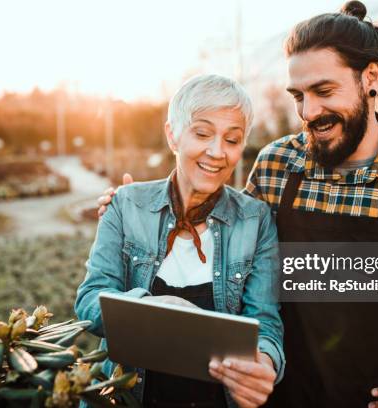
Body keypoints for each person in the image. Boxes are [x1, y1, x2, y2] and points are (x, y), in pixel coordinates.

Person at [98, 2, 378, 407]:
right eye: (298, 95)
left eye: (323, 91)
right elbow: (232, 244)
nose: (309, 111)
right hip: (277, 396)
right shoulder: (278, 165)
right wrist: (138, 208)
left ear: (370, 78)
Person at [75, 74, 284, 408]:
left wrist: (264, 363)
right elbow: (88, 301)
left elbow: (266, 321)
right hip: (129, 397)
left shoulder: (256, 220)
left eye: (232, 140)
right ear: (173, 135)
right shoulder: (127, 205)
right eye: (202, 133)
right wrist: (151, 307)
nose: (217, 152)